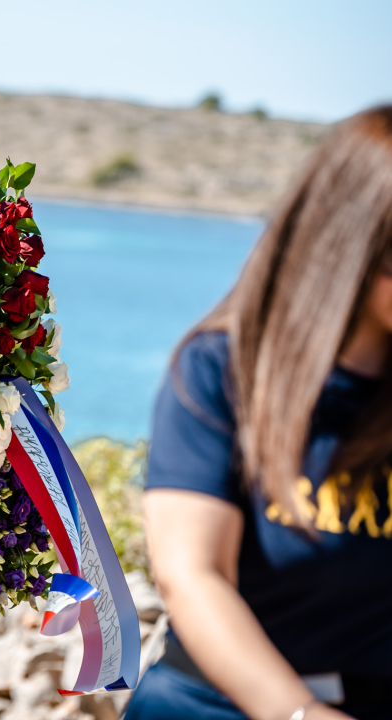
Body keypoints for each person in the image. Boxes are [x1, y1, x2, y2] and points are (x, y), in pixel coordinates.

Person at [128, 106, 392, 720]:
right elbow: (193, 574)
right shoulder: (221, 371)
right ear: (351, 243)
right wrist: (300, 713)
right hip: (217, 705)